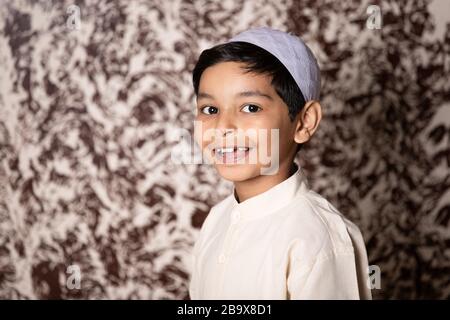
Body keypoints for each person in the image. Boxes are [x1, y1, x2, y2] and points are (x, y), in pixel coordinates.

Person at [188, 27, 372, 299]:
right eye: (210, 110)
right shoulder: (218, 217)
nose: (223, 127)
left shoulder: (317, 239)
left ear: (304, 121)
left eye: (251, 107)